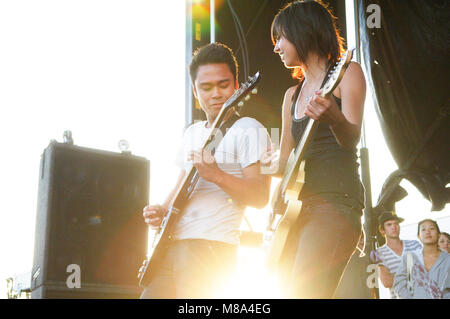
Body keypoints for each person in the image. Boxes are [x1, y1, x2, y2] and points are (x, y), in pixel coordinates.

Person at [140, 42, 271, 298]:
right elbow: (180, 188)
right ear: (195, 91)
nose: (216, 94)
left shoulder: (251, 128)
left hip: (212, 248)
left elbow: (260, 197)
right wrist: (160, 211)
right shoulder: (191, 132)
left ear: (236, 86)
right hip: (168, 248)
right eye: (206, 87)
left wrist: (217, 176)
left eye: (223, 84)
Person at [264, 0, 367, 298]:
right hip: (296, 212)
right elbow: (284, 162)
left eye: (280, 38)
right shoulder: (290, 95)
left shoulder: (347, 73)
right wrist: (260, 162)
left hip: (336, 203)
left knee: (304, 291)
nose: (276, 48)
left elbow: (351, 139)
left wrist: (334, 117)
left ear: (303, 32)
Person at [393, 219, 450, 299]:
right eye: (423, 229)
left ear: (439, 235)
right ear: (419, 236)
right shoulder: (409, 258)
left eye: (432, 228)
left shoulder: (447, 260)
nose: (427, 232)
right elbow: (399, 283)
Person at [374, 211, 422, 299]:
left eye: (396, 223)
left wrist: (397, 276)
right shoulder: (379, 253)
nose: (394, 227)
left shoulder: (415, 245)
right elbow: (386, 281)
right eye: (389, 224)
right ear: (382, 230)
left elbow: (427, 271)